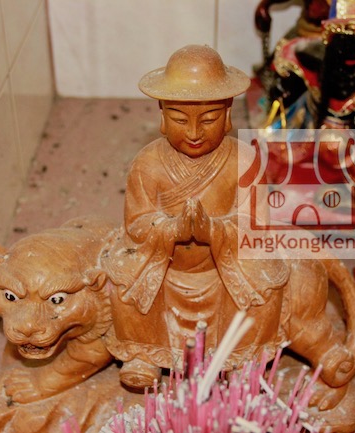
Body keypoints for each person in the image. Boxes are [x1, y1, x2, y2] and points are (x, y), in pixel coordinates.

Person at [101, 45, 289, 389]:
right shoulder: (147, 163)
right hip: (166, 266)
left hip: (225, 267)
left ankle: (241, 357)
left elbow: (256, 224)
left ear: (228, 115)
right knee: (122, 282)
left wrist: (212, 230)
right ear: (162, 116)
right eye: (179, 119)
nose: (194, 132)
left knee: (266, 287)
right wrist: (171, 228)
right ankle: (144, 354)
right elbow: (137, 224)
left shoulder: (245, 160)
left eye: (209, 119)